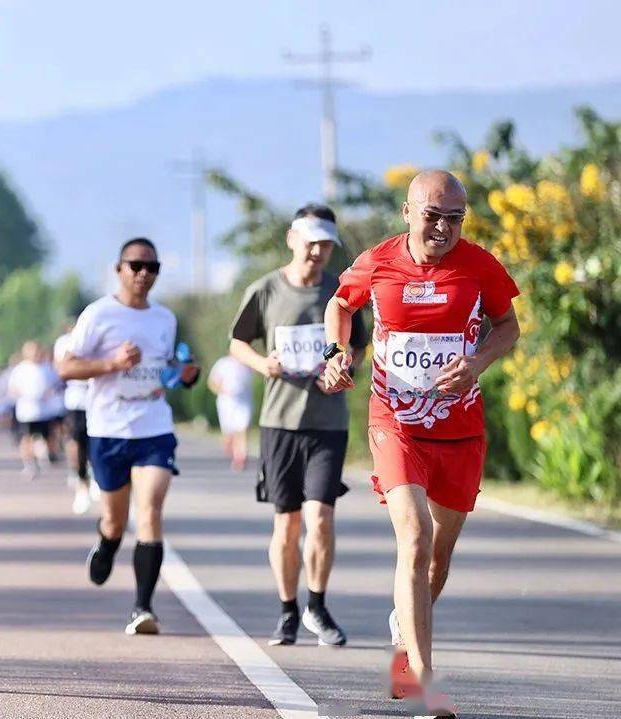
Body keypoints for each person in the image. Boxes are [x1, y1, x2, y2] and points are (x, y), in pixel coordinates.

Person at [322, 171, 520, 717]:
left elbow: (508, 326)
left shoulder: (480, 265)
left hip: (460, 428)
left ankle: (403, 636)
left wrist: (477, 361)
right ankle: (425, 679)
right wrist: (336, 354)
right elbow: (340, 305)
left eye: (455, 217)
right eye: (433, 215)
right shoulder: (379, 261)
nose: (443, 227)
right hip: (396, 423)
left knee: (438, 556)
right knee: (415, 535)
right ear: (407, 211)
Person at [230, 204, 369, 649]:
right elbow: (237, 343)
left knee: (321, 518)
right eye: (310, 242)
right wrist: (262, 363)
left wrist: (345, 363)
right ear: (292, 239)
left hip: (328, 423)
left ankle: (318, 605)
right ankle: (288, 611)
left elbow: (360, 345)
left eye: (326, 243)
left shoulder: (341, 291)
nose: (317, 251)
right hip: (280, 423)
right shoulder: (266, 290)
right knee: (287, 526)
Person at [56, 237, 199, 635]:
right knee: (115, 520)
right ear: (118, 268)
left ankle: (143, 608)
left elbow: (168, 368)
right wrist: (111, 363)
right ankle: (106, 542)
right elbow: (65, 368)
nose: (143, 274)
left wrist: (187, 374)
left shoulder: (164, 319)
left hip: (154, 427)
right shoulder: (98, 315)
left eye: (151, 267)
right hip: (108, 430)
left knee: (150, 513)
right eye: (135, 265)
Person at [54, 323, 99, 514]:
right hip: (76, 399)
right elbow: (61, 369)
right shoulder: (64, 343)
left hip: (99, 399)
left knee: (97, 441)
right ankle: (82, 484)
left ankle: (97, 476)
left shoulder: (99, 341)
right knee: (77, 442)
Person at [8, 340, 61, 479]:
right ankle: (29, 463)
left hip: (44, 411)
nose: (35, 354)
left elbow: (56, 384)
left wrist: (47, 393)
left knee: (48, 436)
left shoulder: (47, 368)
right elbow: (12, 388)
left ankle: (48, 456)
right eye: (32, 351)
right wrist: (24, 394)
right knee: (26, 438)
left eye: (37, 351)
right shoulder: (20, 369)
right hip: (27, 412)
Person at [206, 354, 254, 471]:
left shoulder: (247, 363)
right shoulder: (223, 363)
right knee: (229, 434)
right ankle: (231, 446)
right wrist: (222, 391)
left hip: (244, 402)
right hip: (226, 403)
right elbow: (212, 382)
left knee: (242, 428)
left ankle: (240, 457)